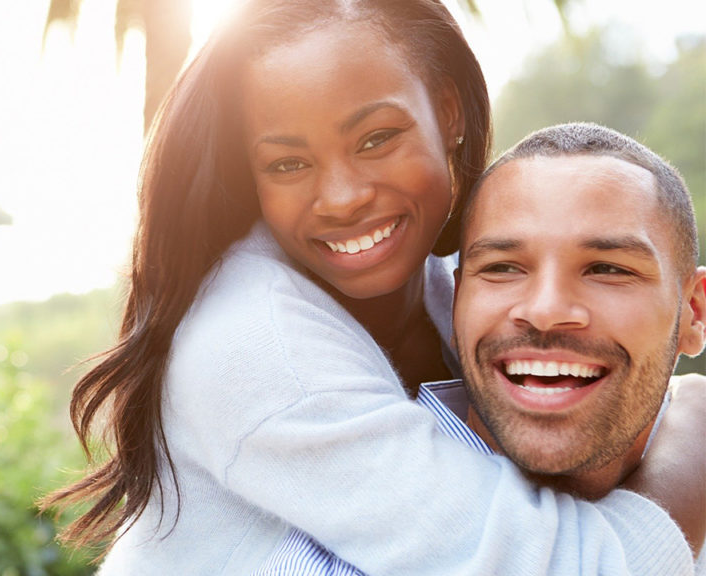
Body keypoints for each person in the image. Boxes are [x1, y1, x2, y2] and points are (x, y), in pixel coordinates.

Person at [40, 2, 705, 574]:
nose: (343, 197)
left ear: (448, 112)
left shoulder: (453, 288)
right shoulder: (253, 340)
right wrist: (690, 448)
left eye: (376, 138)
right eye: (288, 162)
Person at [251, 122, 706, 575]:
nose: (545, 311)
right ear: (455, 304)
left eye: (606, 268)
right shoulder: (338, 560)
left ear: (694, 312)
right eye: (504, 267)